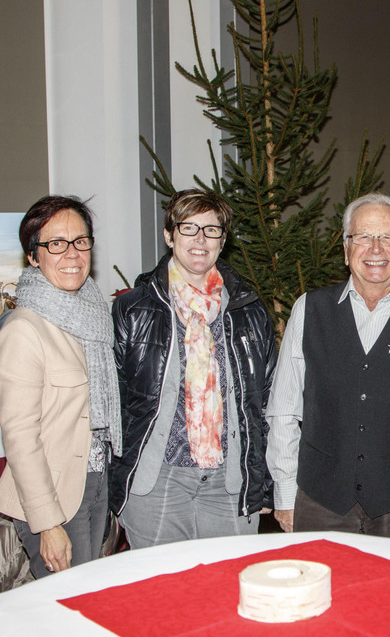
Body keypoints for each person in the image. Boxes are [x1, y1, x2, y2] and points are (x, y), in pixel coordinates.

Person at [266, 193, 390, 540]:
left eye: (388, 238)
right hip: (321, 500)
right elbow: (283, 410)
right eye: (363, 236)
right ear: (346, 248)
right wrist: (286, 493)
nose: (376, 248)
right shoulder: (309, 310)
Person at [110, 189, 276, 547]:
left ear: (223, 240)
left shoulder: (249, 310)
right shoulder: (134, 309)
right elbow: (115, 404)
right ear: (170, 236)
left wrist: (262, 483)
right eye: (189, 228)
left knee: (230, 579)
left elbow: (264, 403)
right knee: (164, 583)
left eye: (211, 230)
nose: (200, 239)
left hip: (229, 484)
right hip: (157, 482)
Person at [0, 195, 121, 578]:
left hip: (95, 480)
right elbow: (19, 436)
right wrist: (47, 523)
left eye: (80, 241)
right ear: (33, 256)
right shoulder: (24, 329)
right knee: (68, 604)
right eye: (56, 244)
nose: (72, 254)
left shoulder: (93, 316)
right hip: (54, 497)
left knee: (91, 595)